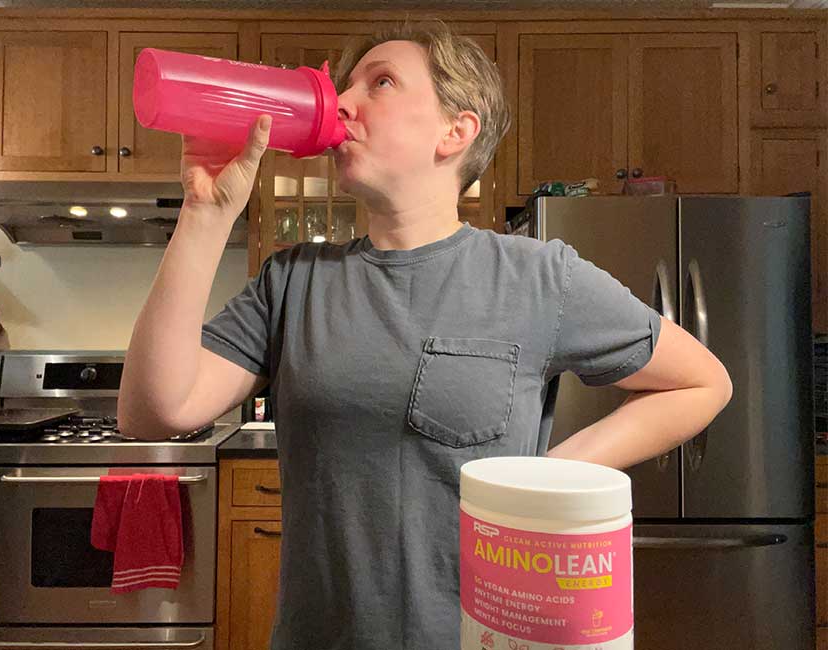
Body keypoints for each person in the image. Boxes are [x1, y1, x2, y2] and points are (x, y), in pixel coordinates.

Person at [118, 22, 733, 650]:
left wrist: (553, 472)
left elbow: (703, 381)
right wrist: (206, 212)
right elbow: (152, 412)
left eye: (380, 82)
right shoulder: (293, 281)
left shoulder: (540, 277)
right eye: (344, 86)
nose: (343, 102)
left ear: (455, 132)